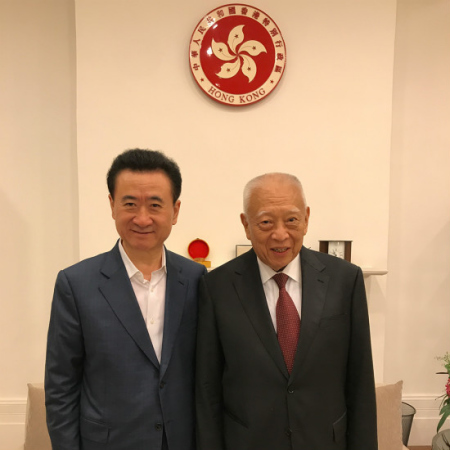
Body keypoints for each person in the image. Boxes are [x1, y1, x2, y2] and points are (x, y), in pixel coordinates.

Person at [195, 172, 377, 450]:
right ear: (246, 225)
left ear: (306, 218)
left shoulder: (345, 280)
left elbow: (360, 381)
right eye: (266, 222)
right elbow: (208, 389)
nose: (280, 235)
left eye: (291, 220)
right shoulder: (216, 287)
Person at [45, 149, 206, 450]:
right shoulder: (77, 284)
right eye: (130, 204)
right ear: (112, 205)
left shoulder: (198, 280)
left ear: (175, 210)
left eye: (155, 205)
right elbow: (61, 388)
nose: (142, 218)